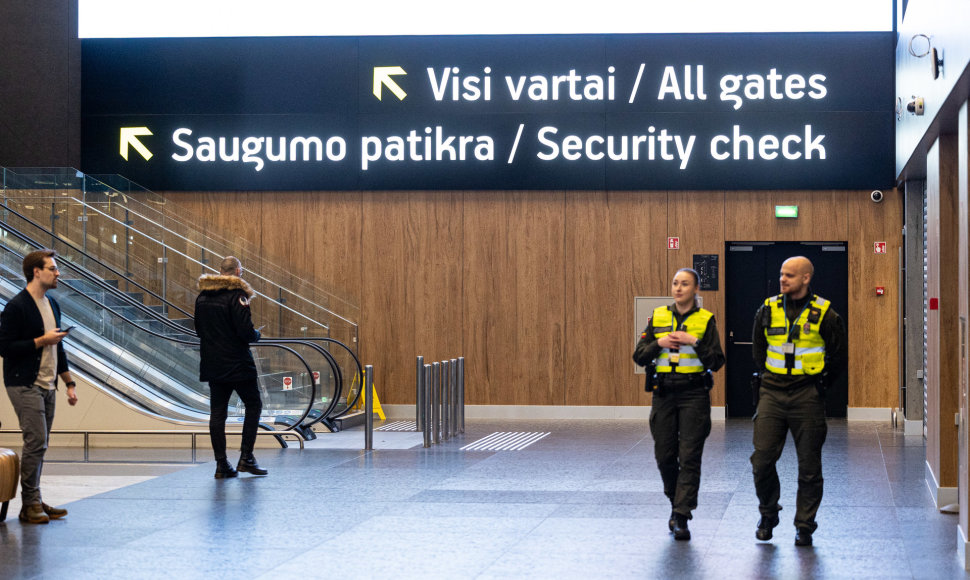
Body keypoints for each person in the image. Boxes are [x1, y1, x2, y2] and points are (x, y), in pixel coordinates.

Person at [750, 256, 847, 547]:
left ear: (806, 278)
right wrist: (770, 378)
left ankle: (804, 525)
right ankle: (769, 513)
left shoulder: (825, 313)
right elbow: (758, 349)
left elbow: (838, 355)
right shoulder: (767, 309)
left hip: (807, 394)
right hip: (772, 392)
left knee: (809, 466)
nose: (783, 279)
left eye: (790, 275)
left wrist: (820, 385)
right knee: (762, 460)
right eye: (781, 274)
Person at [633, 268, 725, 541]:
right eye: (675, 283)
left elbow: (717, 361)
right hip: (663, 394)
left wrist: (693, 341)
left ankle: (682, 516)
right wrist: (658, 343)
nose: (679, 288)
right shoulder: (658, 316)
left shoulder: (706, 320)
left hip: (694, 395)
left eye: (685, 284)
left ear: (696, 289)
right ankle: (676, 503)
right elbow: (639, 356)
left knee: (689, 457)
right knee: (664, 456)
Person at [0, 249, 78, 524]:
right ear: (37, 271)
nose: (58, 273)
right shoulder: (17, 307)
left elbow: (60, 346)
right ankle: (30, 503)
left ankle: (34, 499)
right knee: (36, 441)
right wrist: (39, 341)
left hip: (48, 384)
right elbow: (5, 347)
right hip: (23, 383)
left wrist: (69, 383)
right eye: (53, 268)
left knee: (40, 445)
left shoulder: (52, 304)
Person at [195, 256, 267, 478]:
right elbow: (245, 331)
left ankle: (221, 464)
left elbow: (199, 329)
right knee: (253, 405)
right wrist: (256, 334)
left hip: (213, 363)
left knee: (218, 413)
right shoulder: (238, 296)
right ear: (238, 271)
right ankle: (246, 458)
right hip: (237, 363)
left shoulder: (202, 297)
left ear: (219, 271)